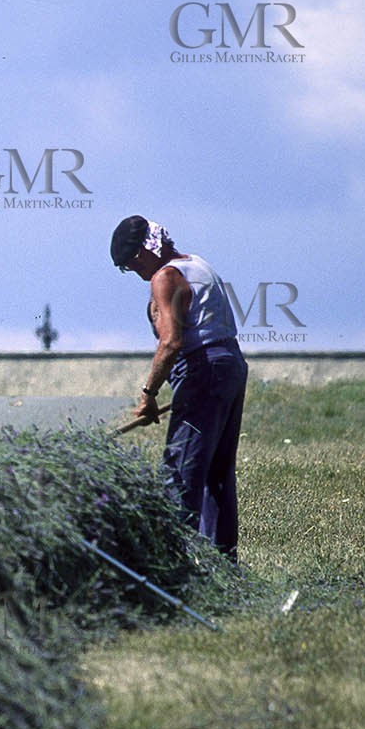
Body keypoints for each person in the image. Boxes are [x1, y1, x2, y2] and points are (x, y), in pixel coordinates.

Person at [111, 215, 248, 559]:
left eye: (129, 265)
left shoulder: (164, 276)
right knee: (216, 476)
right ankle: (222, 566)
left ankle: (177, 566)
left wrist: (148, 395)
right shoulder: (198, 265)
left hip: (203, 371)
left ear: (143, 252)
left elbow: (171, 343)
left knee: (180, 473)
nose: (134, 272)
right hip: (230, 365)